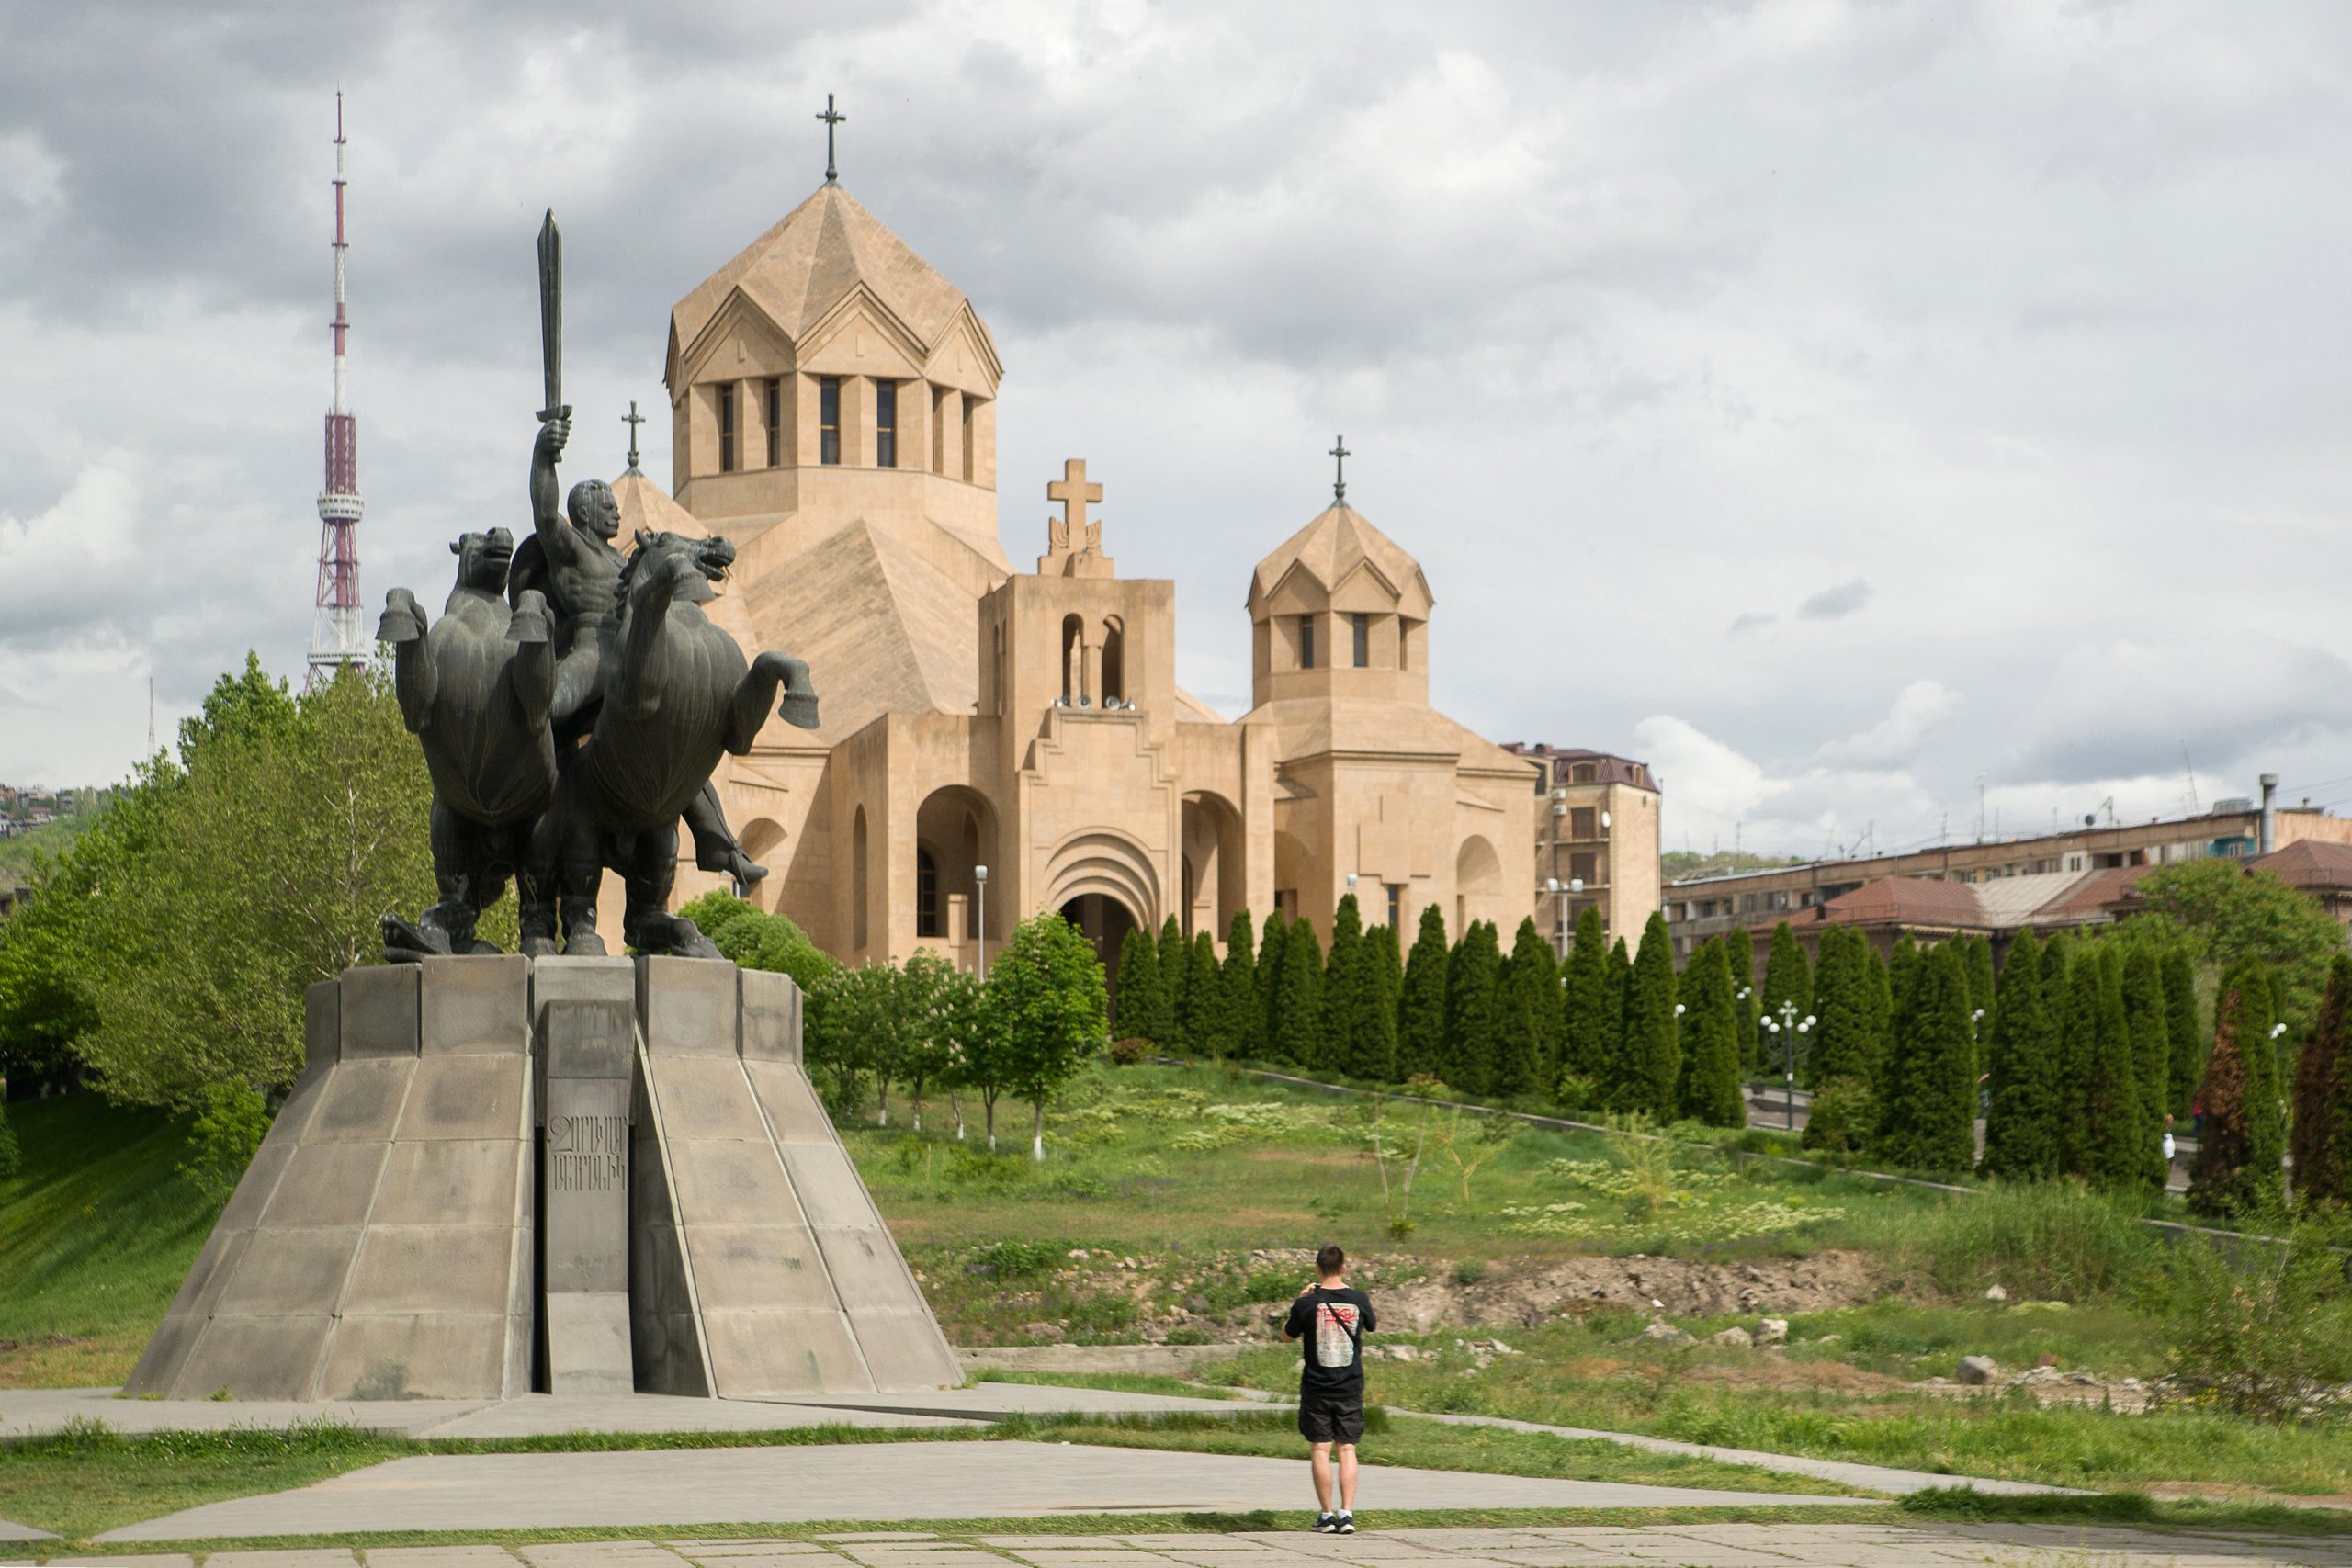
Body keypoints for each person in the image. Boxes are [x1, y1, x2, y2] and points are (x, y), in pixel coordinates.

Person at [1283, 1242, 1375, 1534]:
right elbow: (1371, 1325)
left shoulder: (1307, 1304)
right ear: (1344, 1268)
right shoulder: (1358, 1299)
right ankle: (1346, 1514)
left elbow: (1286, 1336)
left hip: (1316, 1386)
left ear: (1317, 1270)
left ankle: (1326, 1515)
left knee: (1320, 1449)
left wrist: (1300, 1300)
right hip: (1350, 1386)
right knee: (1347, 1448)